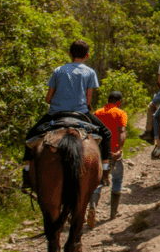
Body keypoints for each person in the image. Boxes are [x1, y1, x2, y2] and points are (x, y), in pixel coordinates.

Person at [23, 40, 112, 190]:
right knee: (106, 133)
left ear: (69, 54)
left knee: (30, 135)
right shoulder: (90, 72)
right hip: (80, 112)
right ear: (87, 55)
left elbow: (48, 98)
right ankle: (105, 171)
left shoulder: (58, 70)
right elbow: (88, 99)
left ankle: (26, 175)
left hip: (56, 113)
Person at [88, 91, 128, 227]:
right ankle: (113, 213)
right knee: (117, 179)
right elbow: (122, 132)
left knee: (97, 182)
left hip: (98, 153)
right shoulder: (120, 113)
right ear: (119, 102)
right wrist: (119, 149)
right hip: (113, 153)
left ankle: (92, 205)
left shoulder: (97, 113)